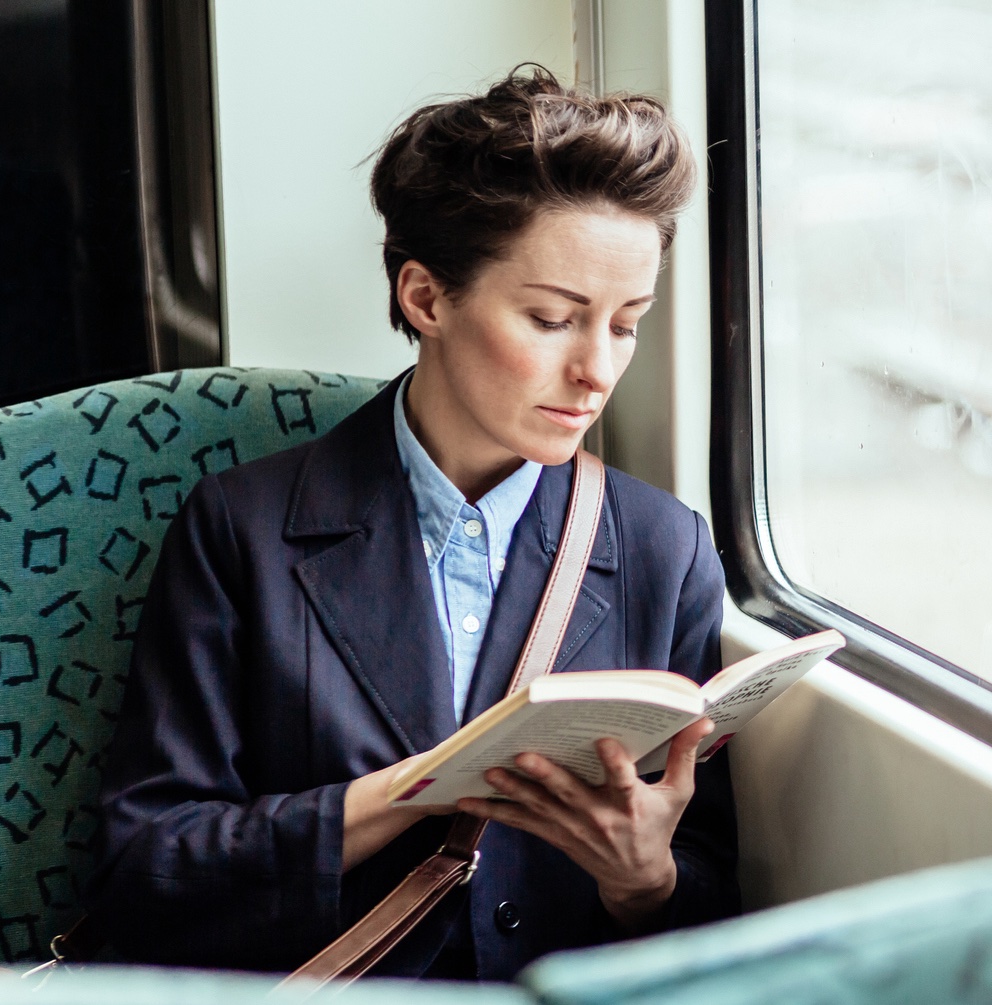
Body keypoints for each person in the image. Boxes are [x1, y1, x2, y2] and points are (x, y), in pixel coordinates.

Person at [87, 66, 737, 980]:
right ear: (425, 298)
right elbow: (145, 867)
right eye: (554, 318)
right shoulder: (243, 531)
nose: (598, 370)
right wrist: (408, 791)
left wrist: (646, 880)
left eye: (627, 324)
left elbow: (711, 893)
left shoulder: (665, 547)